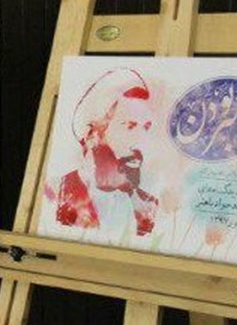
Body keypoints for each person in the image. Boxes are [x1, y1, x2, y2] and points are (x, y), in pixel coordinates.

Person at [53, 68, 159, 236]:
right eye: (129, 126)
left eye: (146, 127)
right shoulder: (58, 194)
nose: (140, 141)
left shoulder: (150, 207)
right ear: (94, 134)